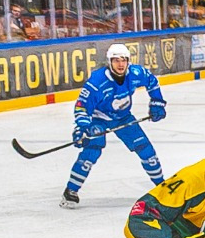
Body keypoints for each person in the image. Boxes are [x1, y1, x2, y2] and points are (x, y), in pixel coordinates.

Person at [62, 42, 167, 208]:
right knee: (92, 150)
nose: (120, 64)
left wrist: (157, 102)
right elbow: (82, 106)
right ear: (109, 62)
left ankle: (163, 187)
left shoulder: (136, 73)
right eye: (116, 60)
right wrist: (81, 128)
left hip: (123, 117)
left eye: (123, 60)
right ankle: (71, 191)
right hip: (99, 118)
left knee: (146, 150)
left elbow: (152, 81)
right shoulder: (97, 81)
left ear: (128, 61)